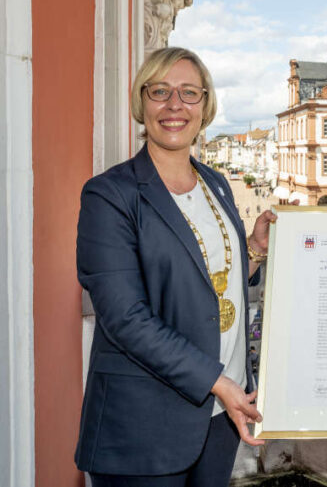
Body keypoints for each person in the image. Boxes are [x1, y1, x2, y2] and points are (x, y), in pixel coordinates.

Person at [75, 47, 272, 486]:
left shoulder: (216, 183)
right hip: (144, 425)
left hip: (221, 417)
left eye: (189, 93)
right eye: (160, 91)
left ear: (206, 105)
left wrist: (253, 251)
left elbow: (208, 282)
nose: (175, 106)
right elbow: (126, 319)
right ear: (141, 102)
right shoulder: (110, 196)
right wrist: (216, 381)